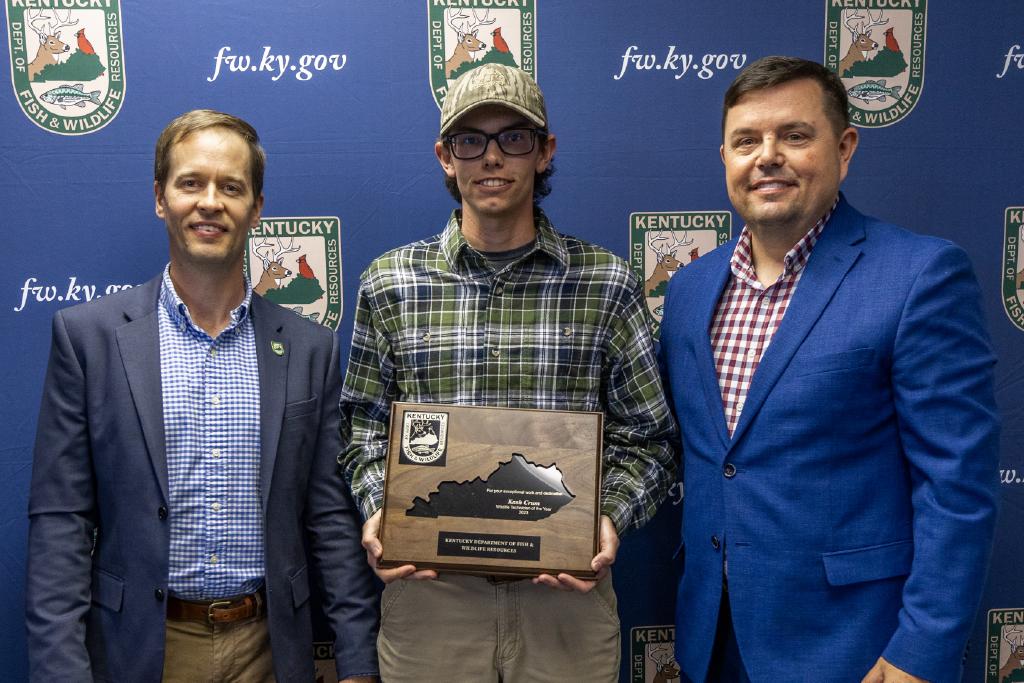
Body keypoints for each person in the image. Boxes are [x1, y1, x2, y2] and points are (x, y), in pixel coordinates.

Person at [658, 56, 1000, 683]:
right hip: (711, 644)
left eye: (794, 135)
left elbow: (958, 488)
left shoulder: (919, 276)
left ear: (844, 147)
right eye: (746, 141)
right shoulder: (687, 291)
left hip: (857, 650)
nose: (767, 156)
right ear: (725, 158)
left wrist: (919, 652)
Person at [339, 63, 677, 682]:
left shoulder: (607, 283)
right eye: (471, 140)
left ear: (544, 152)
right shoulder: (389, 284)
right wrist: (377, 508)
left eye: (513, 138)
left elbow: (649, 437)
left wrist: (608, 516)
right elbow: (362, 425)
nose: (492, 158)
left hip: (567, 597)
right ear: (446, 156)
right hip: (430, 595)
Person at [26, 109, 379, 682]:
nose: (210, 201)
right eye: (190, 182)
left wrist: (358, 661)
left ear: (256, 208)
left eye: (231, 187)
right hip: (142, 648)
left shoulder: (311, 348)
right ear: (161, 198)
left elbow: (330, 522)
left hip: (271, 649)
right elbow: (61, 523)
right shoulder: (88, 338)